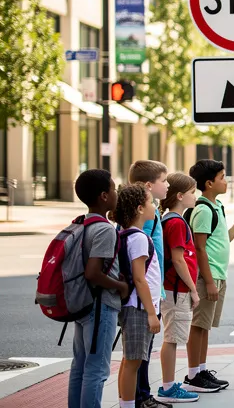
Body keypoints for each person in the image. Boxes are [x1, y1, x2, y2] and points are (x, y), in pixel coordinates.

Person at [185, 160, 234, 392]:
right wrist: (208, 281)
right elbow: (200, 248)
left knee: (205, 326)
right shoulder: (203, 209)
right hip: (208, 277)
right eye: (222, 177)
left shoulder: (217, 207)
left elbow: (224, 239)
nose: (225, 181)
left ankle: (201, 370)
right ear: (209, 183)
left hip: (217, 276)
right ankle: (193, 375)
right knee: (198, 325)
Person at [68, 170, 130, 408]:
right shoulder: (104, 229)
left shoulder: (82, 223)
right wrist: (120, 285)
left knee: (80, 366)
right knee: (96, 370)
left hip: (82, 304)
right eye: (114, 189)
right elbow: (93, 272)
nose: (116, 193)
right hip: (100, 305)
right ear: (104, 196)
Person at [127, 160, 170, 408]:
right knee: (139, 353)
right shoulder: (144, 216)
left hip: (154, 290)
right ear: (147, 186)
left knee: (144, 350)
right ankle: (140, 397)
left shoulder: (151, 212)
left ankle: (143, 394)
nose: (167, 185)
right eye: (163, 181)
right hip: (143, 296)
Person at [115, 183, 162, 408]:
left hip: (134, 306)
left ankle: (126, 402)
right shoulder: (139, 238)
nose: (154, 205)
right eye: (151, 202)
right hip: (138, 308)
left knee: (129, 360)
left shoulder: (126, 234)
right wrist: (152, 314)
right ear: (139, 208)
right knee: (133, 362)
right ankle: (128, 405)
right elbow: (140, 278)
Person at [156, 173, 201, 403]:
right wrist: (193, 289)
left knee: (173, 336)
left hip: (174, 288)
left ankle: (168, 385)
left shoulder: (172, 220)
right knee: (172, 337)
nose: (196, 196)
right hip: (176, 289)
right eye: (193, 192)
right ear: (180, 196)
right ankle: (167, 387)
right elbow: (178, 259)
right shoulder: (175, 222)